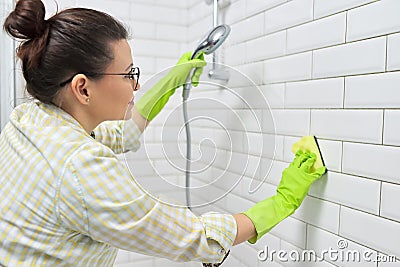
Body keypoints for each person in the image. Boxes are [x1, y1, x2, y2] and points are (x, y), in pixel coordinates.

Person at [0, 0, 326, 266]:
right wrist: (282, 202)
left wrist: (172, 80)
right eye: (129, 74)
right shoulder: (80, 167)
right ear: (83, 89)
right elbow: (199, 239)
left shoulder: (28, 121)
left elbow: (124, 135)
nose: (137, 84)